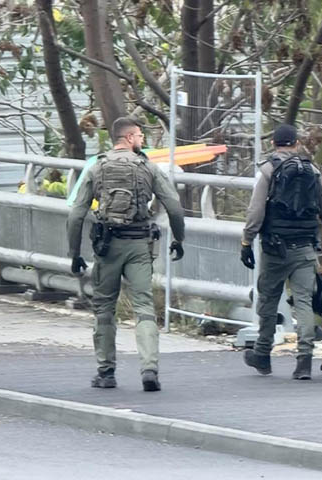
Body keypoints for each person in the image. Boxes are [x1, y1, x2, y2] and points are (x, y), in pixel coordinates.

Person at [67, 116, 185, 392]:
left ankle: (106, 372)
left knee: (104, 307)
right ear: (130, 138)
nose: (142, 141)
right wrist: (179, 238)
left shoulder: (97, 167)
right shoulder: (148, 168)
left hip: (107, 247)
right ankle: (149, 369)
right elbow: (175, 207)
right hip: (139, 246)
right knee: (144, 306)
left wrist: (74, 252)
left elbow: (76, 214)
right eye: (141, 136)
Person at [240, 124, 322, 380]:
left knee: (267, 299)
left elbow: (255, 212)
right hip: (305, 248)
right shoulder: (312, 171)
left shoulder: (268, 171)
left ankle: (262, 354)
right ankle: (304, 361)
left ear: (274, 143)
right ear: (296, 144)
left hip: (275, 249)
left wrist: (246, 241)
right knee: (304, 302)